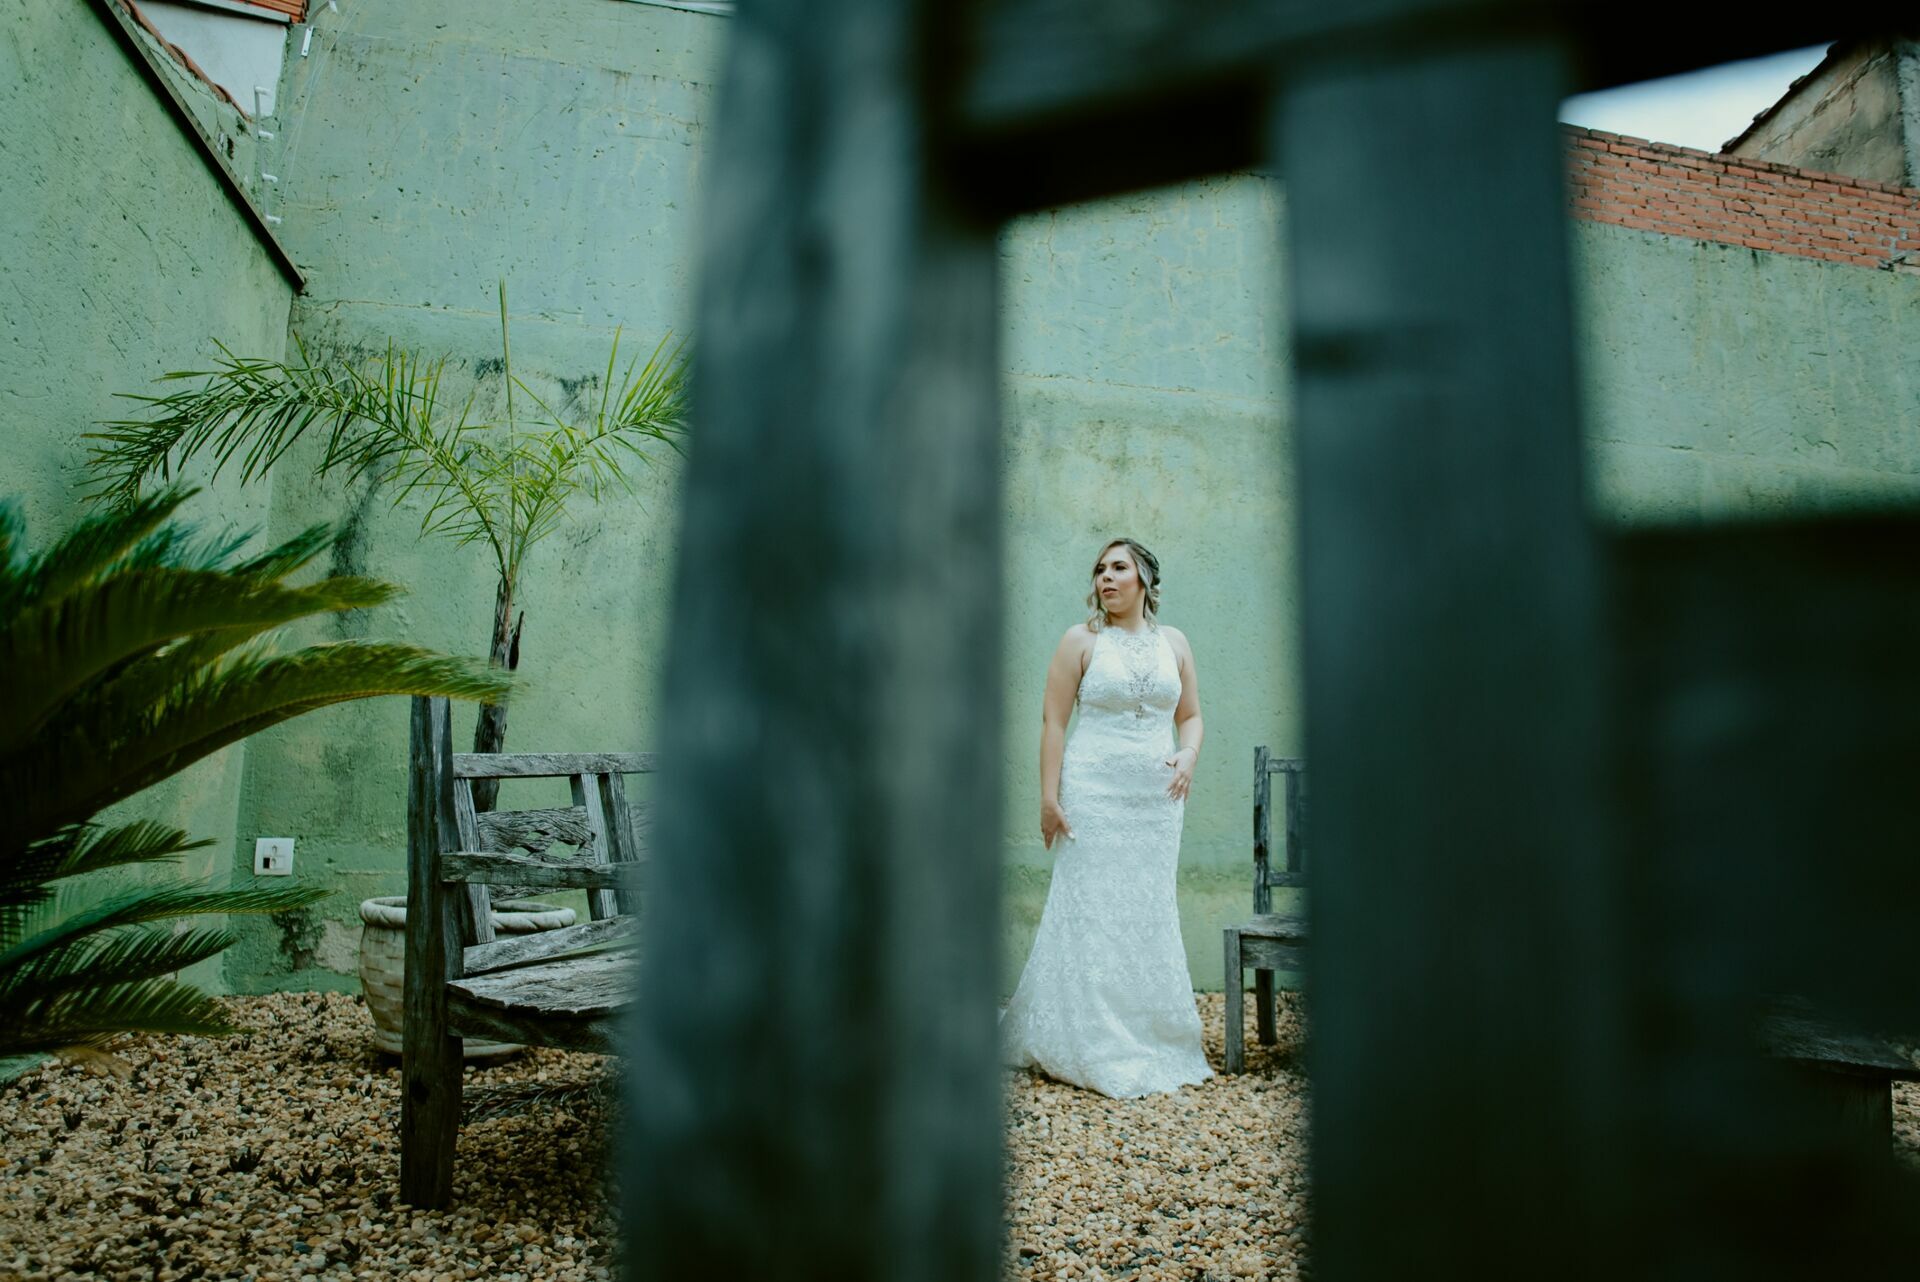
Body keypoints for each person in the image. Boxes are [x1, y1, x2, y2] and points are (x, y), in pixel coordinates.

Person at [999, 536, 1213, 1097]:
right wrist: (1049, 799)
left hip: (1157, 804)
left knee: (1146, 907)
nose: (1106, 578)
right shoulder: (1080, 641)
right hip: (1092, 796)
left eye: (1119, 567)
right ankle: (1089, 1036)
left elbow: (1190, 716)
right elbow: (1053, 724)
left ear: (1145, 578)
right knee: (1091, 906)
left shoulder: (1177, 644)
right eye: (1100, 570)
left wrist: (1188, 754)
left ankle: (1152, 1030)